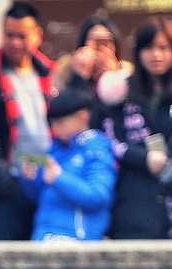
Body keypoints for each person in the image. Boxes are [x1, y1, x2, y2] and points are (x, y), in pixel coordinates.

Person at [0, 1, 56, 240]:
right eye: (9, 35)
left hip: (48, 184)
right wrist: (7, 187)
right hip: (7, 190)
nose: (15, 43)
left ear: (38, 36)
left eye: (22, 36)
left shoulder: (51, 73)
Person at [98, 15, 172, 239]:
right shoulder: (121, 91)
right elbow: (109, 139)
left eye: (163, 48)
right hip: (134, 201)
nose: (156, 55)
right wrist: (143, 158)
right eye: (148, 48)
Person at [19, 87, 116, 241]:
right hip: (43, 237)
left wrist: (59, 178)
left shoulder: (97, 150)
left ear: (83, 117)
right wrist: (29, 179)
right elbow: (39, 198)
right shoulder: (54, 150)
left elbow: (98, 197)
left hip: (76, 240)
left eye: (61, 123)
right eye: (53, 124)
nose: (55, 129)